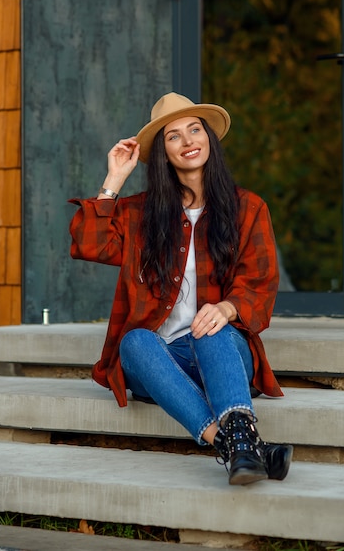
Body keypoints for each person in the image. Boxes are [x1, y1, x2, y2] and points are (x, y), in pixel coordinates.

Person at [69, 92, 293, 485]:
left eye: (195, 130)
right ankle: (240, 445)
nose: (188, 141)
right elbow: (90, 243)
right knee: (134, 341)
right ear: (163, 153)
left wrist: (226, 308)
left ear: (209, 138)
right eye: (174, 136)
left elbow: (260, 281)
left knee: (210, 328)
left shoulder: (248, 208)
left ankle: (233, 444)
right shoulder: (140, 214)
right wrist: (114, 179)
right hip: (159, 363)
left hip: (222, 355)